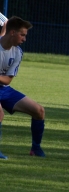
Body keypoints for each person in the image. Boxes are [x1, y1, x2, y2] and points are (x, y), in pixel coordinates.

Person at [0, 17, 45, 159]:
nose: (25, 39)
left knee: (39, 111)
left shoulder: (17, 52)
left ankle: (35, 149)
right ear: (12, 33)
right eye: (22, 35)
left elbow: (7, 80)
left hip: (3, 89)